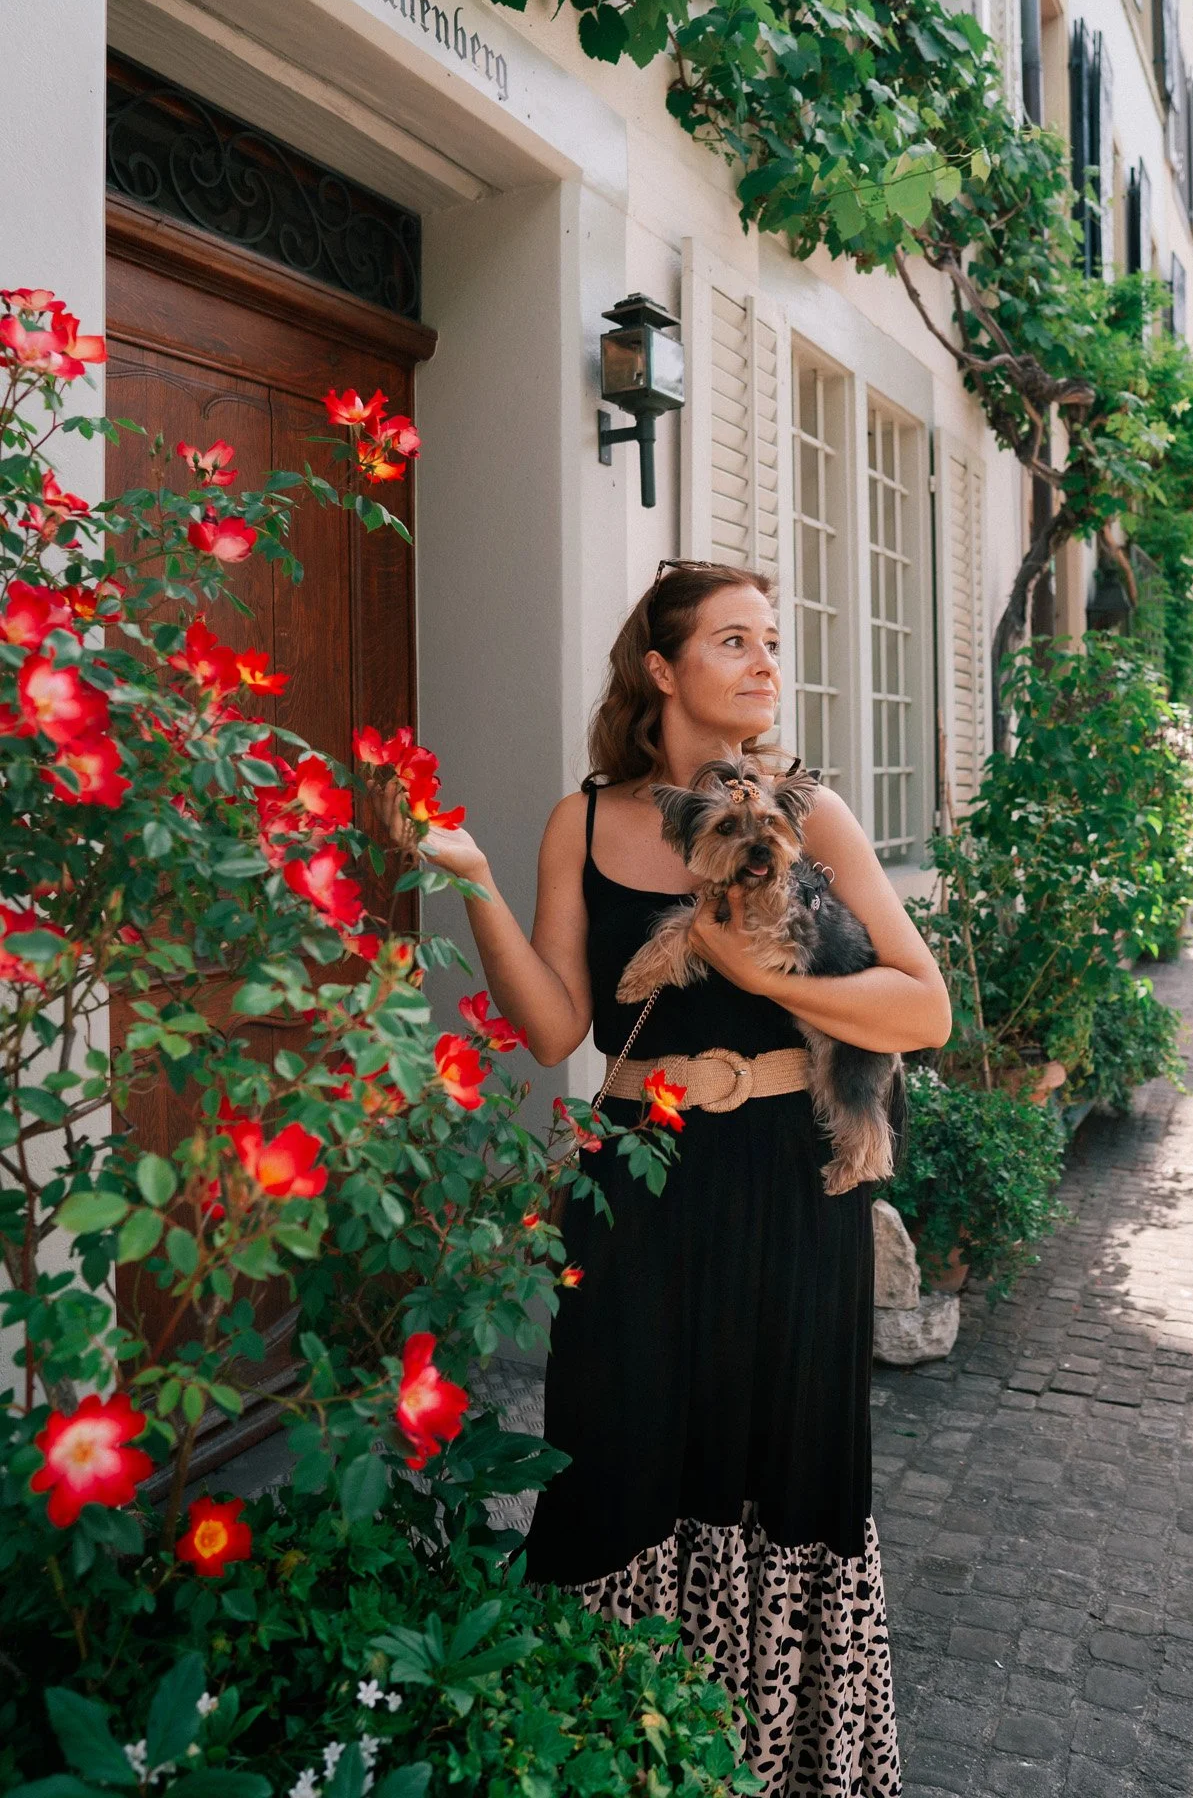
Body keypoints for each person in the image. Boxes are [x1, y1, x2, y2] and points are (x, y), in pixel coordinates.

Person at [411, 562, 951, 1796]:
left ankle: (769, 1764)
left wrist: (753, 976)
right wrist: (474, 881)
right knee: (617, 1444)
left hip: (790, 1178)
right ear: (660, 668)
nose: (768, 661)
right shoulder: (582, 820)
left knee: (782, 1455)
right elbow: (556, 1028)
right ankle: (607, 1756)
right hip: (637, 1182)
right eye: (734, 640)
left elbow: (923, 1006)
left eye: (773, 639)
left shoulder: (810, 814)